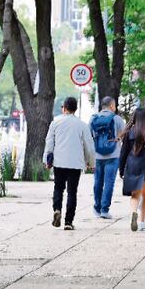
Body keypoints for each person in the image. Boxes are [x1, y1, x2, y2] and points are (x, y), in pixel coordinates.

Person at [45, 96, 95, 231]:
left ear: (64, 108)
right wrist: (91, 162)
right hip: (75, 163)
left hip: (59, 162)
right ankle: (68, 221)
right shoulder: (82, 125)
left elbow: (49, 143)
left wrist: (47, 160)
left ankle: (57, 209)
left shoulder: (56, 122)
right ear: (75, 109)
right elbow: (89, 145)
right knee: (72, 192)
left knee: (58, 188)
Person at [89, 96, 126, 219]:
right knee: (109, 183)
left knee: (98, 182)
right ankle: (105, 210)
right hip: (113, 155)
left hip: (97, 156)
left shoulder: (93, 119)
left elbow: (89, 138)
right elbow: (123, 135)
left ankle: (97, 208)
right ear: (111, 106)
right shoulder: (117, 119)